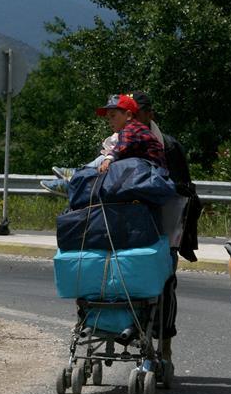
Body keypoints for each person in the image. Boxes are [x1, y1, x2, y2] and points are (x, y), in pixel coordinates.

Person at [130, 90, 202, 365]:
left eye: (138, 114)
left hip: (163, 229)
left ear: (150, 115)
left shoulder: (168, 147)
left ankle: (165, 349)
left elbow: (184, 192)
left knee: (164, 286)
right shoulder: (116, 143)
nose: (134, 119)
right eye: (130, 115)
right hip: (129, 227)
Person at [39, 93, 165, 194]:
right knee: (104, 164)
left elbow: (122, 146)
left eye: (113, 116)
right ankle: (76, 179)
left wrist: (109, 159)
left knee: (106, 164)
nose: (110, 121)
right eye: (108, 118)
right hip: (145, 171)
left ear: (128, 115)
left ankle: (74, 182)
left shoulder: (132, 128)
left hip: (150, 172)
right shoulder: (132, 129)